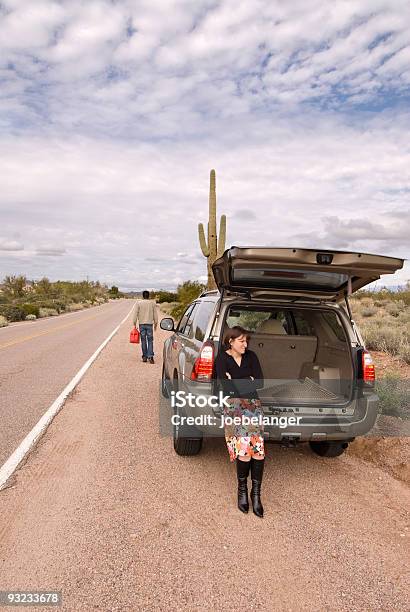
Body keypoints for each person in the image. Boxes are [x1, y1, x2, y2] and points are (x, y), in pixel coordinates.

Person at [213, 326, 265, 517]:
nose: (246, 344)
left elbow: (260, 382)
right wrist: (246, 380)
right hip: (234, 407)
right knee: (244, 452)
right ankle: (242, 490)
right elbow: (225, 386)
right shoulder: (221, 359)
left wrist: (235, 378)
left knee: (258, 453)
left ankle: (256, 494)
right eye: (241, 341)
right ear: (231, 342)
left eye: (246, 341)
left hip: (253, 405)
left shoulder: (251, 357)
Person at [132, 290, 158, 364]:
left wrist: (134, 323)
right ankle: (151, 356)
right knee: (150, 340)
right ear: (148, 296)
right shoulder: (152, 303)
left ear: (143, 296)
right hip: (149, 324)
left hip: (142, 324)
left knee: (143, 340)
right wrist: (156, 323)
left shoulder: (139, 303)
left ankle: (144, 357)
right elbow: (155, 314)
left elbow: (135, 313)